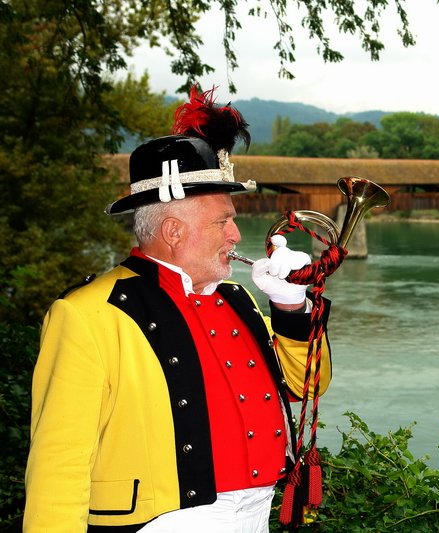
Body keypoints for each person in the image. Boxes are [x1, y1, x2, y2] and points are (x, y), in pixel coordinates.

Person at [23, 86, 332, 532]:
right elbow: (58, 465)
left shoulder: (237, 300)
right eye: (222, 221)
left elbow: (309, 386)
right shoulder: (88, 314)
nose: (234, 234)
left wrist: (290, 308)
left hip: (258, 515)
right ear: (173, 231)